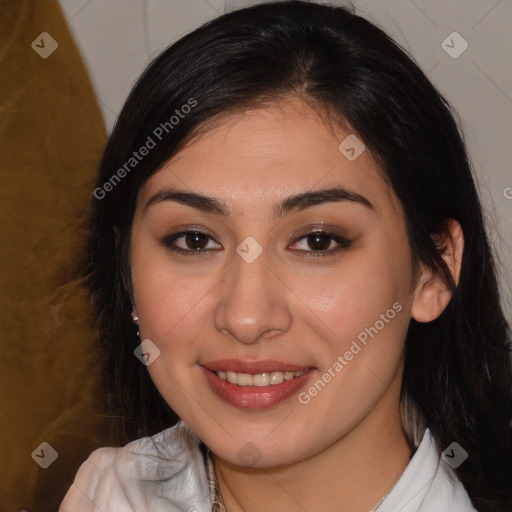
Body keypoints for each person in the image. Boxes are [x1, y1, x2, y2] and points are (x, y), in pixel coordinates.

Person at [59, 1, 512, 511]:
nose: (247, 317)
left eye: (318, 241)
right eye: (193, 240)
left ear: (433, 270)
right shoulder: (109, 494)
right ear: (128, 270)